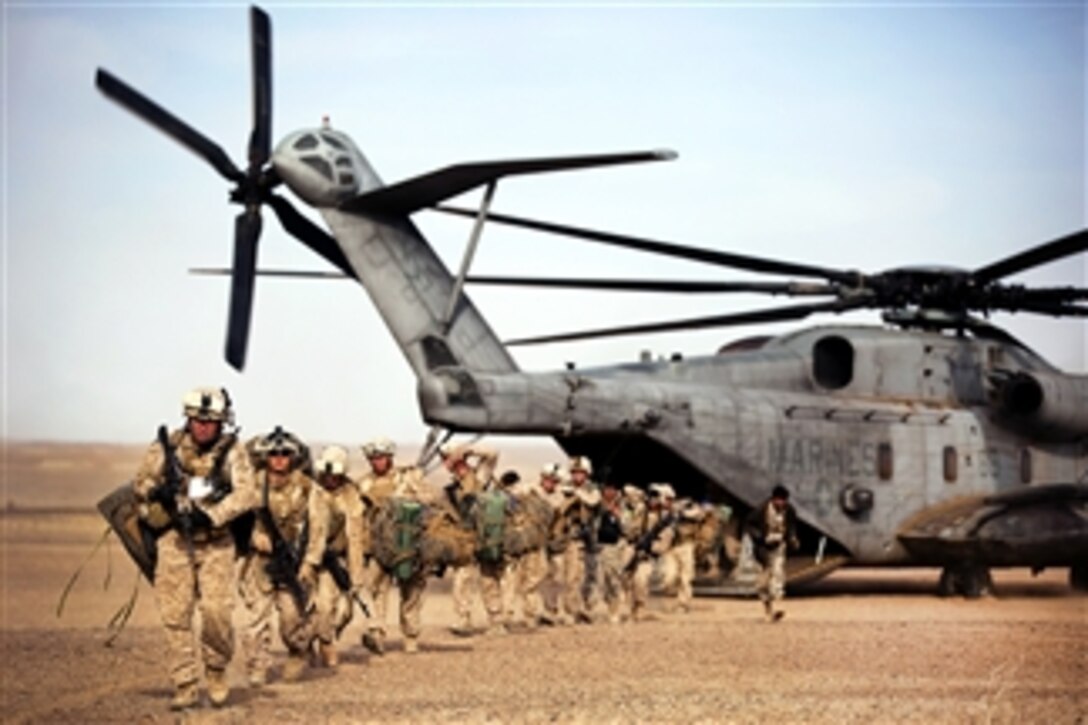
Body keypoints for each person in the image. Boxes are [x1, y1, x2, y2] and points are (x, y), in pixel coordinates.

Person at [130, 386, 256, 710]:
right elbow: (140, 483)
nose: (202, 426)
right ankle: (185, 684)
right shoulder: (166, 447)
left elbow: (246, 494)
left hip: (216, 544)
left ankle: (215, 669)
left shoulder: (233, 451)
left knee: (216, 613)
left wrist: (212, 515)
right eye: (197, 420)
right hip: (174, 543)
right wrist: (158, 492)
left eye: (210, 421)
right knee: (176, 616)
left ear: (221, 422)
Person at [245, 427, 330, 682]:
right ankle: (257, 666)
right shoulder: (252, 484)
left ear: (293, 457)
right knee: (256, 618)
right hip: (261, 562)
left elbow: (319, 530)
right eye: (273, 453)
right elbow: (237, 520)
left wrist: (309, 564)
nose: (279, 458)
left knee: (292, 619)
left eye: (284, 453)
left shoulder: (308, 490)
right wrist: (253, 538)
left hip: (295, 562)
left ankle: (298, 650)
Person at [358, 437, 429, 654]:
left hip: (407, 545)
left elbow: (428, 499)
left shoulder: (406, 478)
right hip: (378, 546)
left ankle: (410, 636)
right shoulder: (363, 483)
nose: (377, 462)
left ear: (390, 457)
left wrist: (410, 496)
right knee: (374, 589)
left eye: (381, 457)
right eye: (373, 458)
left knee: (411, 592)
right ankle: (377, 632)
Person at [311, 445, 370, 667]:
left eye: (335, 476)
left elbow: (355, 539)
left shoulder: (351, 497)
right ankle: (322, 644)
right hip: (305, 558)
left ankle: (327, 636)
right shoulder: (310, 491)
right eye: (327, 475)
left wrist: (356, 577)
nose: (330, 480)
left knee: (345, 611)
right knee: (318, 607)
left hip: (334, 558)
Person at [440, 443, 498, 635]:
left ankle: (496, 620)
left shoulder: (479, 476)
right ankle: (463, 620)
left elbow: (492, 454)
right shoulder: (450, 490)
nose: (450, 463)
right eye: (447, 460)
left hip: (486, 537)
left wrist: (469, 450)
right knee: (461, 579)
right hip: (465, 539)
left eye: (452, 459)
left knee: (489, 579)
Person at [745, 484, 800, 622]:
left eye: (783, 500)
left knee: (777, 574)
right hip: (762, 549)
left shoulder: (789, 510)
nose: (781, 503)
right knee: (763, 584)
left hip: (779, 546)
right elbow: (749, 525)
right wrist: (760, 538)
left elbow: (791, 526)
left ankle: (777, 602)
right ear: (773, 499)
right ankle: (769, 610)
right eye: (779, 500)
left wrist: (792, 539)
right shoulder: (761, 510)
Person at [558, 456, 601, 624]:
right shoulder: (565, 489)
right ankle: (572, 610)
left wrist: (577, 493)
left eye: (580, 473)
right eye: (574, 473)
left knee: (588, 577)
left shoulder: (592, 490)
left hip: (588, 539)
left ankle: (585, 608)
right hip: (571, 539)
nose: (577, 476)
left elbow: (593, 501)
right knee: (571, 576)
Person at [629, 484, 678, 622]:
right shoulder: (642, 511)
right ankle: (629, 609)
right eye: (652, 496)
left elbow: (664, 541)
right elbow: (631, 529)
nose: (654, 500)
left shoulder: (667, 519)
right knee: (627, 580)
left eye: (657, 497)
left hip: (651, 554)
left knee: (641, 579)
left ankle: (640, 609)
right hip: (634, 549)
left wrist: (650, 549)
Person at [591, 481, 628, 623]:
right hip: (595, 546)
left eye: (612, 489)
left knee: (612, 579)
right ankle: (594, 610)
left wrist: (618, 516)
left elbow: (628, 528)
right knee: (595, 580)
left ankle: (614, 609)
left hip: (613, 547)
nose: (609, 492)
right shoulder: (595, 504)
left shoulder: (622, 507)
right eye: (607, 489)